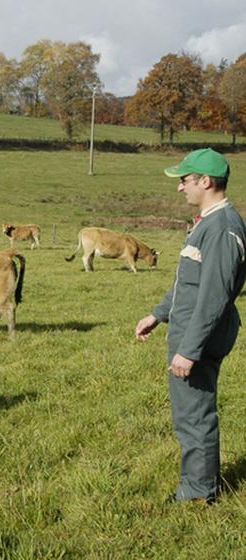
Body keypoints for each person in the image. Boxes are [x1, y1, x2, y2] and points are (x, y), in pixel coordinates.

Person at [136, 148, 246, 504]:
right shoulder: (207, 223)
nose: (180, 188)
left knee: (195, 415)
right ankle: (198, 484)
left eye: (184, 181)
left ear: (206, 181)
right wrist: (158, 314)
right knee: (189, 413)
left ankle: (199, 493)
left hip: (198, 338)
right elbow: (189, 282)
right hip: (187, 331)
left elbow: (214, 297)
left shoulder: (222, 229)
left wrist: (189, 350)